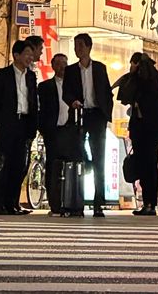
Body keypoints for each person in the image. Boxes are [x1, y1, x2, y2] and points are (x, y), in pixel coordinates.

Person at [62, 32, 114, 218]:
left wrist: (106, 113)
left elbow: (107, 92)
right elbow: (66, 93)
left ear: (89, 47)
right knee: (78, 155)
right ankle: (76, 201)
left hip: (97, 116)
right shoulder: (71, 70)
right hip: (79, 115)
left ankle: (98, 202)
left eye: (81, 46)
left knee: (99, 157)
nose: (78, 49)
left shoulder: (99, 68)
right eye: (75, 46)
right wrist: (73, 102)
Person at [0, 39, 38, 215]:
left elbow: (33, 102)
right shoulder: (2, 74)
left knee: (19, 166)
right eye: (27, 54)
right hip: (6, 124)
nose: (30, 57)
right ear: (16, 55)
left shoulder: (31, 76)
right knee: (2, 165)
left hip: (24, 123)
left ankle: (13, 204)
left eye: (31, 54)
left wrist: (33, 126)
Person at [117, 52, 158, 216]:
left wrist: (132, 76)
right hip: (153, 129)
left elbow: (125, 97)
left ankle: (148, 203)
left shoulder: (140, 79)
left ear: (137, 63)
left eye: (132, 63)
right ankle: (151, 203)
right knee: (151, 165)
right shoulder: (156, 77)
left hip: (142, 129)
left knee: (145, 166)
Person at [38, 53, 71, 216]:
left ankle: (70, 201)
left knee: (70, 165)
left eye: (65, 63)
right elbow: (40, 110)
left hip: (70, 131)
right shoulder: (45, 87)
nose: (62, 67)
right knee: (52, 166)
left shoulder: (74, 86)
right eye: (58, 63)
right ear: (53, 66)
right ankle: (54, 203)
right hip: (53, 131)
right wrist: (43, 129)